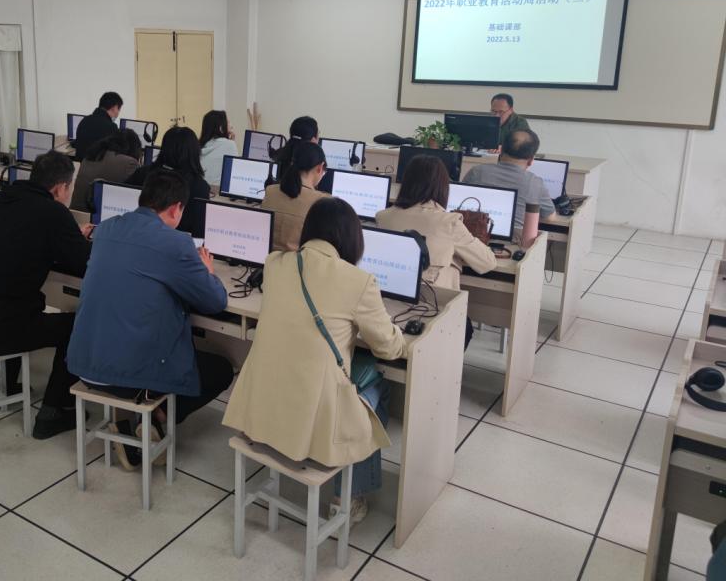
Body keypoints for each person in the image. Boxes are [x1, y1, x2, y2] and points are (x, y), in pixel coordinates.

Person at [223, 198, 407, 523]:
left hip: (263, 408)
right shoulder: (358, 281)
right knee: (378, 386)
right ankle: (348, 497)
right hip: (311, 416)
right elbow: (389, 349)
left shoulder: (275, 264)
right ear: (352, 238)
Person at [67, 168, 233, 469]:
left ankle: (144, 421)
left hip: (83, 360)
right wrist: (208, 272)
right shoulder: (176, 244)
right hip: (127, 373)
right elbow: (215, 301)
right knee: (221, 368)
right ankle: (157, 420)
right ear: (176, 208)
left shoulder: (106, 229)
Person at [0, 151, 92, 439]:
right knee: (78, 326)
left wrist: (67, 238)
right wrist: (75, 240)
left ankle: (5, 386)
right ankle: (54, 411)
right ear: (61, 188)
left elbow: (17, 242)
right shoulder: (53, 213)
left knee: (7, 301)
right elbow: (85, 263)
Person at [375, 155, 496, 348]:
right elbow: (487, 262)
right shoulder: (448, 222)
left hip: (387, 301)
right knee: (466, 328)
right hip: (431, 306)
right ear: (442, 187)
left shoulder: (383, 217)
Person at [463, 129, 555, 234]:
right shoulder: (535, 182)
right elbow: (550, 218)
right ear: (530, 160)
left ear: (501, 151)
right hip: (513, 240)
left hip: (475, 236)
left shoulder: (477, 172)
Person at [126, 126, 210, 238]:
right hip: (178, 244)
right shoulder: (199, 187)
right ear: (194, 153)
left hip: (133, 235)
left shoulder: (141, 173)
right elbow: (200, 233)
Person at [260, 141, 329, 252]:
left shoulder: (270, 191)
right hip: (298, 262)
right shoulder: (322, 201)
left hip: (266, 259)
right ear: (320, 168)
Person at [70, 129, 143, 212]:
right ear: (135, 148)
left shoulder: (91, 156)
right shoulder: (130, 163)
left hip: (76, 213)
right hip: (101, 216)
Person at [74, 91, 122, 159]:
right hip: (98, 165)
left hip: (82, 164)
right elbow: (115, 153)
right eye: (118, 109)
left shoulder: (84, 120)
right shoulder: (111, 127)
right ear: (114, 107)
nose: (118, 113)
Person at [198, 110, 237, 187]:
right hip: (219, 192)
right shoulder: (230, 145)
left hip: (201, 190)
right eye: (228, 123)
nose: (231, 126)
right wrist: (231, 143)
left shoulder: (197, 147)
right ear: (221, 128)